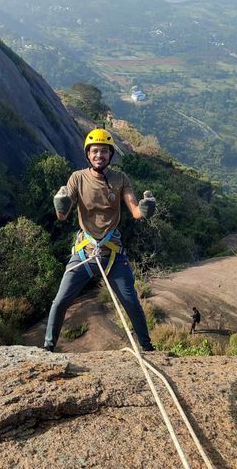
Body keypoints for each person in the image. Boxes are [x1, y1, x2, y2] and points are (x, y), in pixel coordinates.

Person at [44, 128, 157, 353]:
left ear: (110, 154)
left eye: (104, 151)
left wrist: (145, 210)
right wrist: (61, 204)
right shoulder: (77, 178)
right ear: (88, 154)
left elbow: (134, 211)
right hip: (85, 252)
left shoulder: (120, 178)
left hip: (112, 253)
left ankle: (147, 348)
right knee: (60, 302)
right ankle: (48, 347)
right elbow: (62, 216)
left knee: (132, 303)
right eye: (95, 151)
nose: (99, 156)